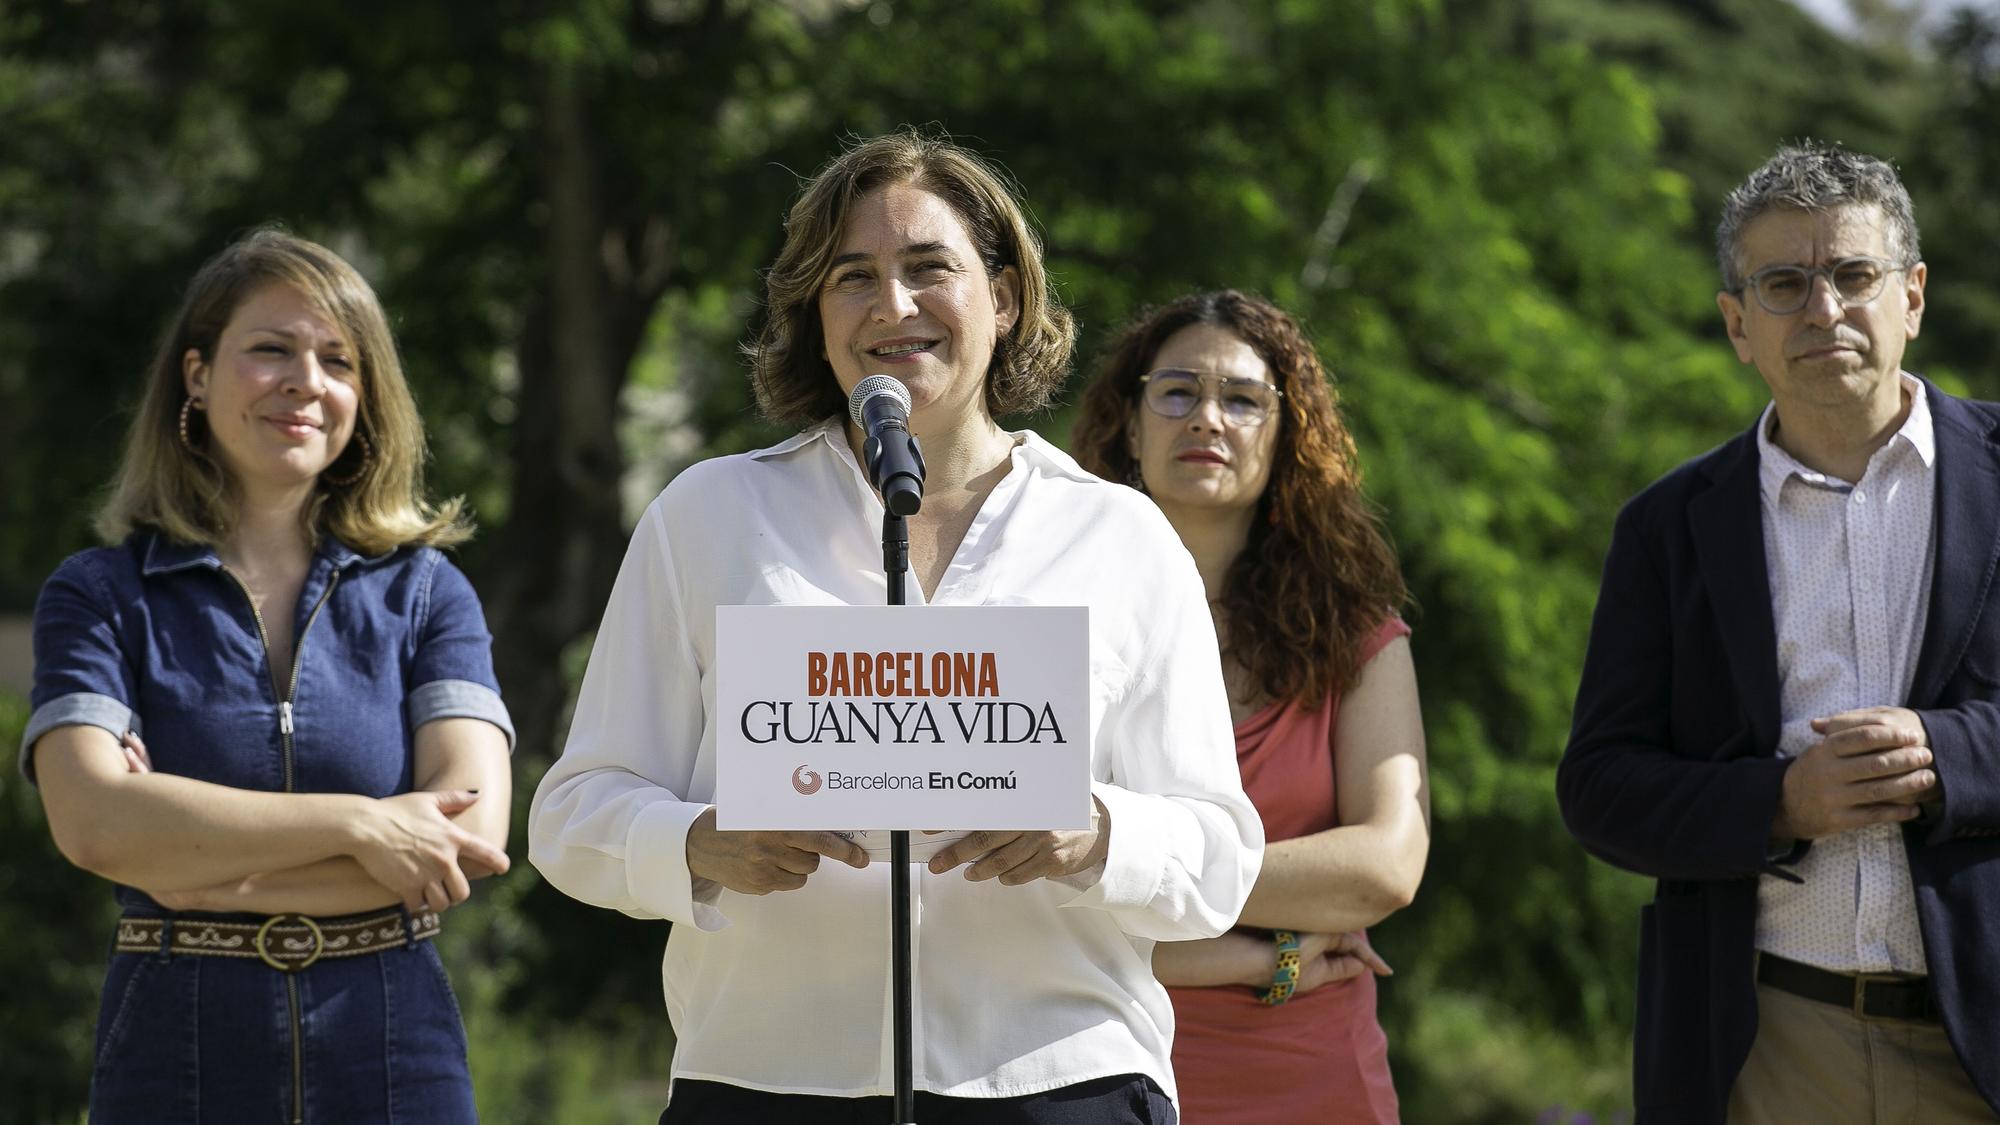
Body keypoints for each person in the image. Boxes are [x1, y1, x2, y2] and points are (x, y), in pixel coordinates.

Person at [528, 131, 1263, 1124]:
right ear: (814, 314)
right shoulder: (707, 516)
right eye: (852, 278)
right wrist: (698, 842)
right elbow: (572, 818)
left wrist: (1095, 833)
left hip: (1057, 1085)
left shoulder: (1116, 535)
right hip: (766, 1082)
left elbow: (1217, 855)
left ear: (1002, 301)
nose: (892, 307)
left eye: (929, 269)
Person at [24, 229, 515, 1125]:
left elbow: (469, 836)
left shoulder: (428, 593)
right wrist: (363, 827)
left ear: (364, 399)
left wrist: (189, 862)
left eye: (338, 359)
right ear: (198, 375)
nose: (306, 381)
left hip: (396, 1048)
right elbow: (94, 821)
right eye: (271, 349)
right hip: (175, 1050)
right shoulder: (98, 593)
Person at [1558, 143, 2000, 1122]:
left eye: (1851, 276)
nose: (1822, 310)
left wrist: (1949, 753)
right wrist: (1775, 802)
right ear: (1735, 324)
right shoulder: (1665, 526)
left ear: (1912, 297)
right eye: (1783, 284)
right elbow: (1596, 788)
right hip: (1762, 1044)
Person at [1071, 290, 1429, 1125]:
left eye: (1241, 398)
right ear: (1130, 425)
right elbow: (1017, 892)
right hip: (1096, 1069)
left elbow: (1385, 866)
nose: (1207, 416)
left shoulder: (1357, 637)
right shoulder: (1052, 628)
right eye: (1177, 391)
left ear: (1283, 434)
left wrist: (1133, 881)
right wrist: (1267, 956)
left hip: (1317, 1080)